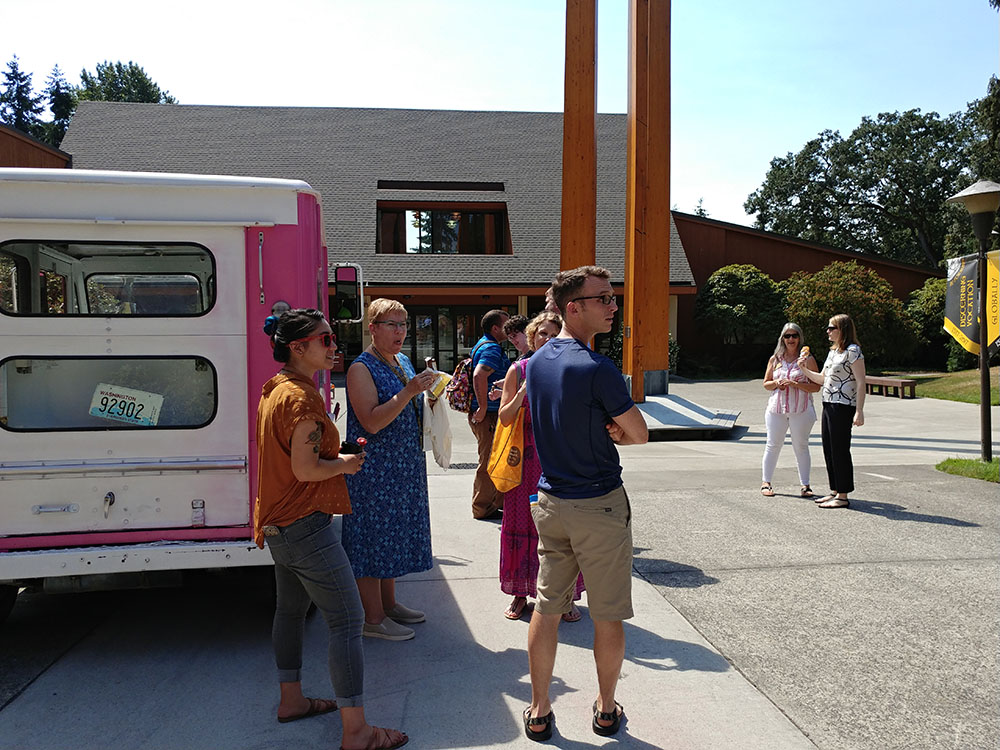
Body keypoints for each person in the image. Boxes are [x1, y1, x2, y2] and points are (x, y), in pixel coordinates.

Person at [255, 308, 408, 750]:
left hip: (279, 524)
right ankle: (357, 732)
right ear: (298, 347)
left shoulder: (277, 388)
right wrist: (344, 462)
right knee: (347, 620)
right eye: (324, 340)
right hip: (305, 525)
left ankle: (292, 701)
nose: (333, 346)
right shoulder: (301, 399)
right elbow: (305, 470)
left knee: (289, 612)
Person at [523, 267, 649, 741]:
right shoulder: (598, 368)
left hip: (551, 500)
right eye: (603, 299)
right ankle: (605, 707)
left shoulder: (537, 362)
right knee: (607, 611)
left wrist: (604, 426)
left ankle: (538, 709)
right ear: (572, 307)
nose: (612, 306)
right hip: (597, 502)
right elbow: (639, 432)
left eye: (613, 297)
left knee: (547, 606)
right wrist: (615, 430)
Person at [344, 299, 436, 641]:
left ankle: (389, 604)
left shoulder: (400, 360)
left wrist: (429, 395)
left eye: (403, 325)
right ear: (373, 328)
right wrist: (409, 390)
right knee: (372, 540)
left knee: (391, 538)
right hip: (375, 470)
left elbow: (410, 406)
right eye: (392, 324)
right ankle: (373, 619)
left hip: (401, 467)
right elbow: (370, 421)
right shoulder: (360, 368)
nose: (400, 331)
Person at [497, 311, 585, 623]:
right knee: (523, 527)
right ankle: (520, 594)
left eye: (553, 334)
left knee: (563, 532)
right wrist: (523, 392)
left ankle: (565, 595)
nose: (547, 340)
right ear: (532, 339)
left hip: (560, 463)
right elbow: (504, 418)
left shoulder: (572, 371)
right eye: (541, 334)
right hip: (524, 465)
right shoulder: (518, 370)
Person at [800, 313, 866, 509]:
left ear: (842, 330)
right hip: (828, 403)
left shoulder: (853, 351)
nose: (827, 331)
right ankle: (835, 490)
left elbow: (861, 382)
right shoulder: (833, 352)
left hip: (844, 405)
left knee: (840, 449)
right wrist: (803, 369)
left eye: (831, 328)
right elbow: (822, 379)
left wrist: (859, 411)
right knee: (828, 448)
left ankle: (843, 495)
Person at [760, 323, 820, 498]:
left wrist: (796, 384)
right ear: (782, 339)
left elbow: (816, 386)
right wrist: (777, 383)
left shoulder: (807, 360)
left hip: (800, 409)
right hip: (776, 409)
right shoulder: (775, 359)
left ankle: (805, 485)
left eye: (794, 336)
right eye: (787, 336)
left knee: (801, 446)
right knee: (772, 445)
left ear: (799, 338)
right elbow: (766, 383)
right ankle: (766, 482)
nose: (791, 339)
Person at [469, 309, 511, 520]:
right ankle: (482, 507)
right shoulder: (492, 349)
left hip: (489, 414)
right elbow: (479, 375)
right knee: (488, 462)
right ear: (496, 328)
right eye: (506, 324)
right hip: (489, 416)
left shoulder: (483, 344)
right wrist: (483, 407)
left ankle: (492, 504)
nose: (510, 327)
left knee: (492, 460)